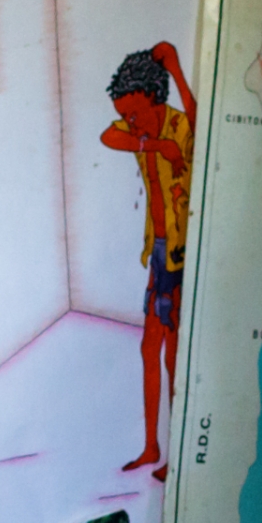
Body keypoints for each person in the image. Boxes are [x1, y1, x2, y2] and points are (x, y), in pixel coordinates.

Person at [100, 42, 196, 482]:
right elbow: (108, 135)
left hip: (180, 251)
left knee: (173, 354)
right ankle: (151, 446)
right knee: (148, 348)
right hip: (157, 251)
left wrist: (175, 67)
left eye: (136, 113)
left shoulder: (181, 124)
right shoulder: (147, 133)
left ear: (155, 99)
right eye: (127, 115)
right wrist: (151, 142)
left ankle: (176, 453)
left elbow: (198, 117)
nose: (130, 122)